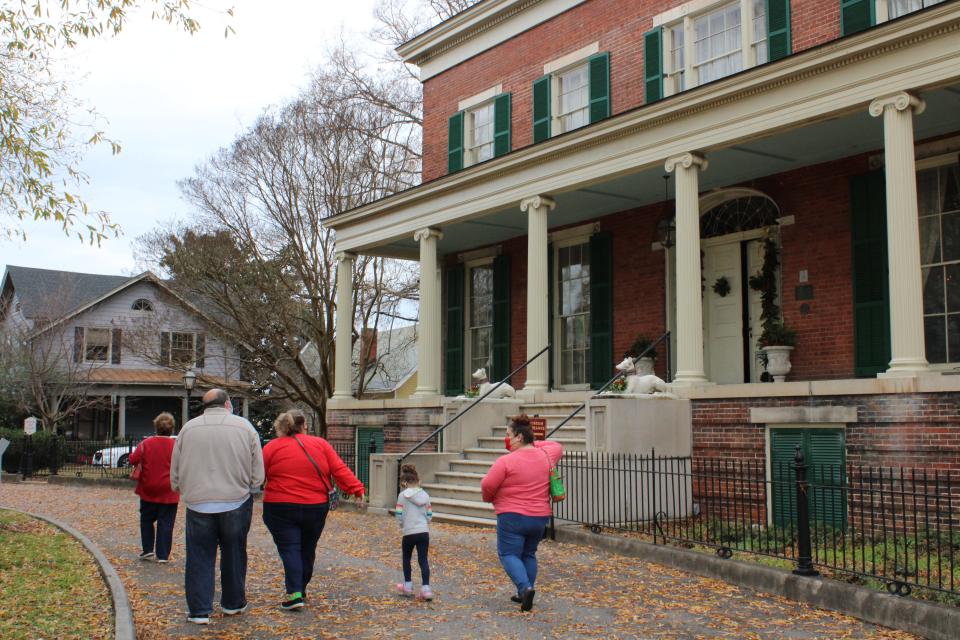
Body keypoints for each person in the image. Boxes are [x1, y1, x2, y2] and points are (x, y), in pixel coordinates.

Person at [170, 389, 264, 626]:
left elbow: (176, 469)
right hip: (235, 500)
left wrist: (180, 487)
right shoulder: (244, 428)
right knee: (234, 552)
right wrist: (252, 485)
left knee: (199, 555)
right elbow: (257, 470)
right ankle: (233, 602)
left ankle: (199, 609)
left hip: (199, 501)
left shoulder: (188, 429)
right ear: (228, 404)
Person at [261, 409, 365, 611]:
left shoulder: (272, 447)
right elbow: (339, 469)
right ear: (304, 426)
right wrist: (356, 489)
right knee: (307, 549)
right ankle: (301, 588)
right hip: (315, 507)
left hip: (280, 505)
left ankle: (295, 592)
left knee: (290, 548)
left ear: (282, 427)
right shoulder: (321, 444)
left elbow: (257, 474)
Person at [480, 414, 563, 612]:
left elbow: (487, 485)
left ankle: (524, 588)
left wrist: (490, 498)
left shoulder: (506, 461)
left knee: (508, 553)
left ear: (518, 437)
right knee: (529, 553)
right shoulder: (546, 456)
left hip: (512, 516)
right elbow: (556, 446)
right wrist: (531, 441)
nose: (506, 439)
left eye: (508, 435)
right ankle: (525, 592)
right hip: (539, 516)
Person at [128, 412, 179, 563]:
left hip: (148, 487)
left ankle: (148, 550)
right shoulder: (176, 446)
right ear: (172, 429)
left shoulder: (146, 444)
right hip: (169, 489)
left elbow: (133, 459)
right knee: (166, 522)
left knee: (146, 519)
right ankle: (163, 555)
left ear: (156, 427)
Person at [395, 464, 433, 601]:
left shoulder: (402, 496)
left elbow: (398, 514)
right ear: (417, 480)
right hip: (423, 531)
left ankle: (408, 586)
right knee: (423, 560)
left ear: (404, 482)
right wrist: (424, 523)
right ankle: (426, 589)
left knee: (406, 558)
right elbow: (429, 515)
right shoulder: (426, 495)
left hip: (409, 532)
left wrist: (403, 524)